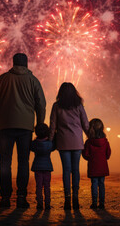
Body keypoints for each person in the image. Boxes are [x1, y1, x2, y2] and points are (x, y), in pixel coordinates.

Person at [0, 53, 46, 208]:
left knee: (5, 163)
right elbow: (41, 104)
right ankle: (21, 196)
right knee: (23, 162)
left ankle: (5, 198)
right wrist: (39, 126)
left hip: (5, 126)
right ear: (26, 64)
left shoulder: (2, 79)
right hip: (26, 127)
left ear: (13, 63)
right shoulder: (33, 81)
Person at [49, 82, 89, 210]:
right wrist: (92, 137)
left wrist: (49, 140)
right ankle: (75, 197)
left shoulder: (56, 106)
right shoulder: (79, 106)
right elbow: (85, 124)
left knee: (66, 170)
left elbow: (53, 125)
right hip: (77, 142)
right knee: (75, 170)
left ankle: (67, 198)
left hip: (63, 142)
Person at [82, 118, 111, 209]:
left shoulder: (89, 142)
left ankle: (94, 203)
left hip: (93, 166)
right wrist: (103, 159)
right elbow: (108, 154)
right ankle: (101, 203)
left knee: (94, 184)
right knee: (101, 184)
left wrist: (90, 159)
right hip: (102, 166)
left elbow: (85, 154)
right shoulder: (105, 141)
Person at [30, 123, 56, 210]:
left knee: (39, 186)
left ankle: (39, 203)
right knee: (47, 186)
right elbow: (54, 147)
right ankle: (47, 203)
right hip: (47, 167)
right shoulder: (49, 144)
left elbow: (30, 147)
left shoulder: (34, 144)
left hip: (37, 167)